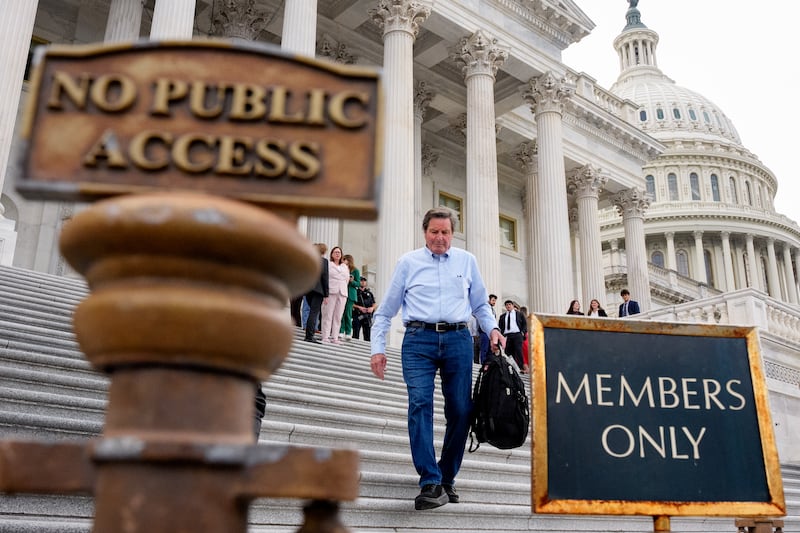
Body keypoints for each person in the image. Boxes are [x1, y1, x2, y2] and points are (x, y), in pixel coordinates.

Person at [369, 207, 504, 511]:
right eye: (434, 232)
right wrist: (377, 349)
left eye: (445, 232)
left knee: (461, 409)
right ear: (425, 232)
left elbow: (481, 305)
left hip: (458, 339)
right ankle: (430, 480)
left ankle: (447, 476)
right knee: (420, 403)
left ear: (452, 233)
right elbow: (386, 311)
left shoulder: (467, 261)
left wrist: (493, 328)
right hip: (418, 341)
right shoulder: (408, 263)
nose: (440, 238)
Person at [321, 246, 349, 343]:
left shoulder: (345, 266)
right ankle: (325, 336)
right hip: (331, 291)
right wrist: (325, 293)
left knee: (338, 316)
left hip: (342, 292)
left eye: (339, 252)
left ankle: (335, 337)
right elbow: (325, 278)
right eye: (335, 252)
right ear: (332, 254)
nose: (337, 254)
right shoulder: (328, 264)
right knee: (328, 314)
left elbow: (347, 279)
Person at [303, 243, 329, 343]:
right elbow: (325, 278)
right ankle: (309, 336)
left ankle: (309, 334)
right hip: (318, 291)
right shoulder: (324, 261)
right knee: (314, 312)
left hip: (308, 289)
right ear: (324, 251)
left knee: (311, 312)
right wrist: (326, 294)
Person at [498, 299, 527, 370]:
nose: (508, 306)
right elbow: (500, 326)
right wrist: (501, 335)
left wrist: (522, 332)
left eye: (509, 304)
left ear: (513, 305)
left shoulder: (519, 314)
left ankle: (521, 367)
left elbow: (524, 324)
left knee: (518, 350)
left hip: (517, 335)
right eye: (507, 305)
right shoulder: (503, 316)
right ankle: (510, 367)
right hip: (507, 335)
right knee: (508, 352)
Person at [339, 254, 361, 340]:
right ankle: (341, 331)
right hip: (342, 292)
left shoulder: (355, 271)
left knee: (347, 313)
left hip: (350, 294)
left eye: (344, 259)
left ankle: (348, 332)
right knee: (341, 312)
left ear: (348, 260)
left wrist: (352, 281)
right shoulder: (341, 269)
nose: (343, 261)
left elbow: (358, 283)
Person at [352, 276, 376, 341]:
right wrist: (359, 307)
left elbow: (374, 303)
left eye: (364, 280)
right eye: (361, 280)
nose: (363, 282)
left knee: (367, 336)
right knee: (355, 333)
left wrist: (372, 308)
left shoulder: (369, 293)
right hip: (358, 315)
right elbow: (351, 304)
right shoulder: (355, 291)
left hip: (367, 316)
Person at [478, 293, 498, 364]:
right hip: (484, 332)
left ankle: (489, 363)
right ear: (488, 300)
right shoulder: (485, 308)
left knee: (490, 349)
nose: (494, 302)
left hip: (491, 332)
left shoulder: (493, 310)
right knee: (484, 348)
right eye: (493, 300)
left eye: (495, 301)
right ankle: (483, 363)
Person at [519, 305, 530, 374]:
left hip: (522, 337)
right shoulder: (529, 319)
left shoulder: (520, 319)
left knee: (523, 355)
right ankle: (528, 368)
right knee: (527, 354)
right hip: (528, 337)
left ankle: (526, 368)